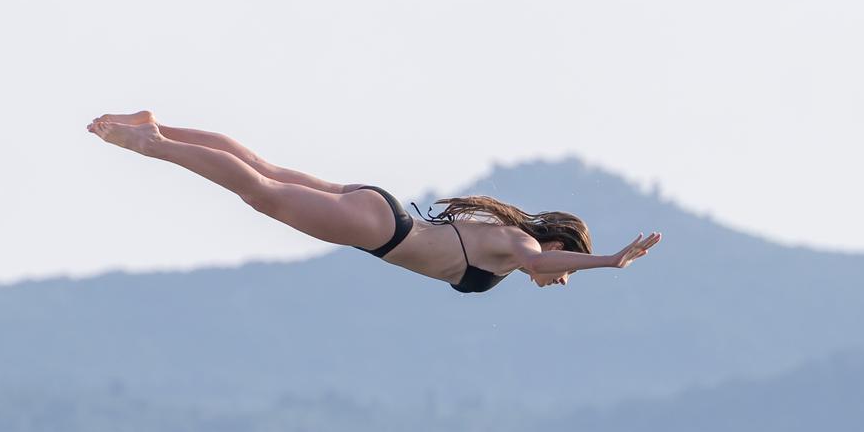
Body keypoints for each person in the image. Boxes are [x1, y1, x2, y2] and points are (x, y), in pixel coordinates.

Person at [88, 113, 661, 292]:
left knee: (264, 171)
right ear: (562, 245)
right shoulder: (526, 247)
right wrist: (609, 261)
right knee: (259, 191)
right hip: (383, 229)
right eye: (568, 268)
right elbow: (540, 264)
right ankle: (154, 144)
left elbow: (537, 266)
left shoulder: (510, 238)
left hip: (382, 211)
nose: (558, 279)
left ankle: (157, 127)